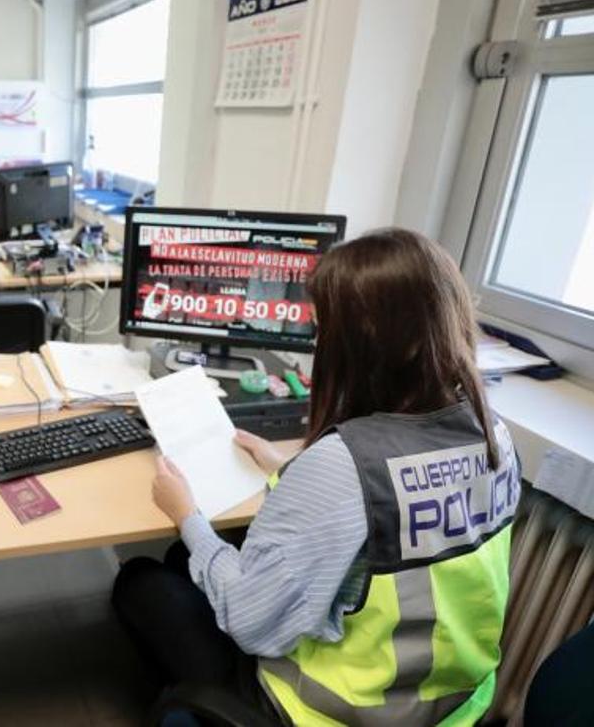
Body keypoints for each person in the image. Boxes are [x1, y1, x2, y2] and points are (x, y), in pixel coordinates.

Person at [113, 228, 522, 726]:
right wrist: (287, 469)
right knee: (188, 561)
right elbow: (394, 515)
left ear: (360, 343)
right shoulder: (491, 432)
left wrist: (187, 515)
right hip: (455, 708)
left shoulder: (343, 464)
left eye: (326, 326)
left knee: (142, 579)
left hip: (331, 712)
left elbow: (250, 621)